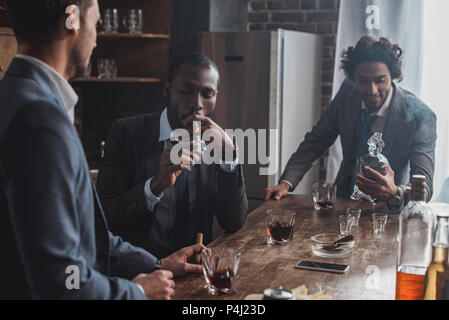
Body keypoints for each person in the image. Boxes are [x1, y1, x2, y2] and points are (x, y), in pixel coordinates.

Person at [0, 0, 205, 300]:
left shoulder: (13, 95)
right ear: (72, 19)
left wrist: (157, 264)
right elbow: (61, 280)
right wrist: (136, 291)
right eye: (95, 22)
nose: (96, 37)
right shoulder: (40, 119)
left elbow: (89, 237)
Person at [96, 52, 248, 259]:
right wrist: (156, 185)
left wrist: (229, 157)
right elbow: (106, 215)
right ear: (168, 90)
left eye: (207, 94)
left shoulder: (220, 143)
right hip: (141, 268)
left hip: (194, 269)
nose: (197, 103)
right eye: (186, 91)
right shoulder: (125, 132)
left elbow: (233, 222)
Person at [265, 36, 437, 212]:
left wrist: (395, 192)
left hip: (389, 213)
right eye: (363, 81)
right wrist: (287, 183)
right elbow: (316, 141)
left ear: (393, 76)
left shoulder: (422, 117)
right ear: (353, 78)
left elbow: (424, 185)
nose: (372, 90)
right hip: (343, 206)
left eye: (380, 80)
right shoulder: (347, 94)